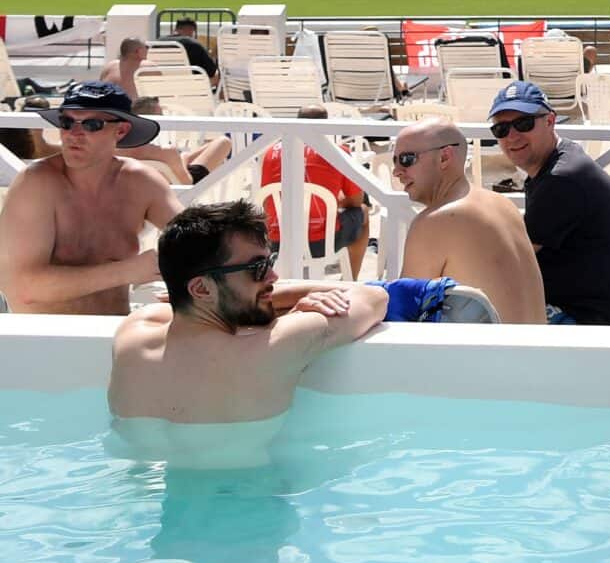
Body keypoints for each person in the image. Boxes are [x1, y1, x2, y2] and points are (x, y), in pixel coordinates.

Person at [109, 201, 388, 439]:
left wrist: (260, 296)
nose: (274, 278)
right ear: (202, 289)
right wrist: (294, 300)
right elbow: (374, 297)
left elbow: (185, 312)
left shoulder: (133, 334)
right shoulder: (275, 345)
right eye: (257, 268)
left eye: (270, 262)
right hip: (250, 496)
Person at [0, 82, 183, 315]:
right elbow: (22, 286)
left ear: (121, 131)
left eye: (92, 124)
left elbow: (200, 242)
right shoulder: (36, 184)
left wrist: (190, 288)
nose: (74, 134)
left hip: (117, 334)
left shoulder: (141, 182)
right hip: (44, 340)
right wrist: (126, 271)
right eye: (66, 123)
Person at [488, 81, 610, 324]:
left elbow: (511, 260)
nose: (512, 136)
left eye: (523, 123)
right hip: (588, 308)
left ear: (550, 121)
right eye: (501, 130)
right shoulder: (560, 159)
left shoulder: (561, 179)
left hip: (585, 321)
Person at [389, 120, 547, 323]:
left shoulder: (435, 223)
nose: (397, 171)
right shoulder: (504, 205)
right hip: (539, 350)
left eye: (406, 159)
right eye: (394, 161)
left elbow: (403, 318)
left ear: (444, 157)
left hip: (490, 354)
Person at [99, 38, 232, 185]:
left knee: (186, 155)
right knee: (223, 142)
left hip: (151, 170)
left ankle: (183, 160)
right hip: (181, 184)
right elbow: (187, 185)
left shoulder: (108, 150)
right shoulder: (166, 152)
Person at [257, 108, 371, 278]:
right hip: (320, 243)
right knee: (363, 212)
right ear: (325, 126)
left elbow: (267, 201)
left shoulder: (270, 152)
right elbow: (356, 201)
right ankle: (350, 278)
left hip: (278, 242)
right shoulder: (337, 151)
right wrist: (333, 202)